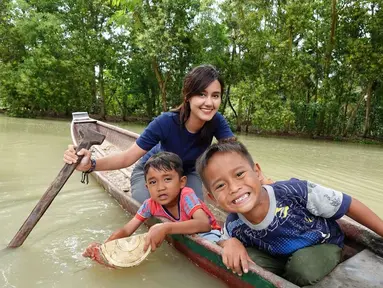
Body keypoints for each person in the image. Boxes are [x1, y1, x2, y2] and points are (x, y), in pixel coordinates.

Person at [195, 141, 383, 286]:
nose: (234, 188)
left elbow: (349, 204)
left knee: (301, 268)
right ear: (212, 197)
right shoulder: (233, 223)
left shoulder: (295, 192)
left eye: (239, 174)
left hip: (323, 244)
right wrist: (230, 242)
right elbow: (223, 237)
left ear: (257, 172)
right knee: (242, 264)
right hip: (277, 254)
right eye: (220, 185)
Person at [63, 64, 235, 203]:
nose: (209, 102)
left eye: (215, 96)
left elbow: (235, 156)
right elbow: (126, 158)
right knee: (149, 207)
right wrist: (90, 165)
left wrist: (260, 183)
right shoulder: (166, 122)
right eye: (202, 95)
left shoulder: (216, 121)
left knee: (195, 210)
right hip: (153, 172)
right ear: (188, 97)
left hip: (187, 173)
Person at [83, 152, 221, 264]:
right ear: (147, 187)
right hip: (188, 236)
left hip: (212, 235)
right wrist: (103, 248)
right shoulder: (149, 204)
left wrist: (166, 228)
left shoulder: (186, 195)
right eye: (153, 182)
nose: (160, 187)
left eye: (167, 179)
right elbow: (126, 230)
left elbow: (204, 225)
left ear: (182, 182)